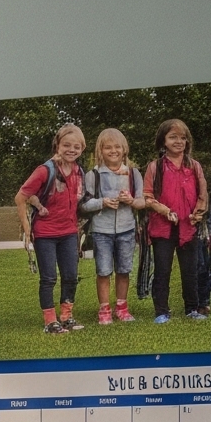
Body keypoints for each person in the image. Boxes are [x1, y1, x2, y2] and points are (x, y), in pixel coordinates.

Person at [15, 122, 87, 334]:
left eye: (76, 146)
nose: (71, 150)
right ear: (58, 145)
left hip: (69, 233)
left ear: (82, 149)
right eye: (67, 145)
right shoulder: (45, 170)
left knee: (71, 276)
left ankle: (66, 317)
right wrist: (27, 227)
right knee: (48, 278)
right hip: (45, 233)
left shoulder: (79, 172)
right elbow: (21, 197)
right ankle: (50, 322)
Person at [141, 118, 211, 324]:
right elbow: (147, 197)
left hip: (188, 227)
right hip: (162, 227)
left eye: (183, 138)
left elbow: (203, 195)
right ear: (163, 141)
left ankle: (192, 309)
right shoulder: (155, 167)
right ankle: (161, 311)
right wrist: (165, 211)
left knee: (190, 271)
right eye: (173, 137)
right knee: (163, 270)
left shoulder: (195, 166)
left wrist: (199, 212)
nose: (178, 141)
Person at [80, 127, 142, 324]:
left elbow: (142, 201)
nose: (113, 151)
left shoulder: (133, 173)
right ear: (100, 150)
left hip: (127, 229)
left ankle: (122, 308)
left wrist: (131, 200)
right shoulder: (93, 175)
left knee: (123, 270)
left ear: (124, 149)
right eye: (108, 147)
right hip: (101, 230)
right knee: (104, 271)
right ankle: (104, 310)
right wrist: (103, 202)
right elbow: (83, 204)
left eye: (117, 147)